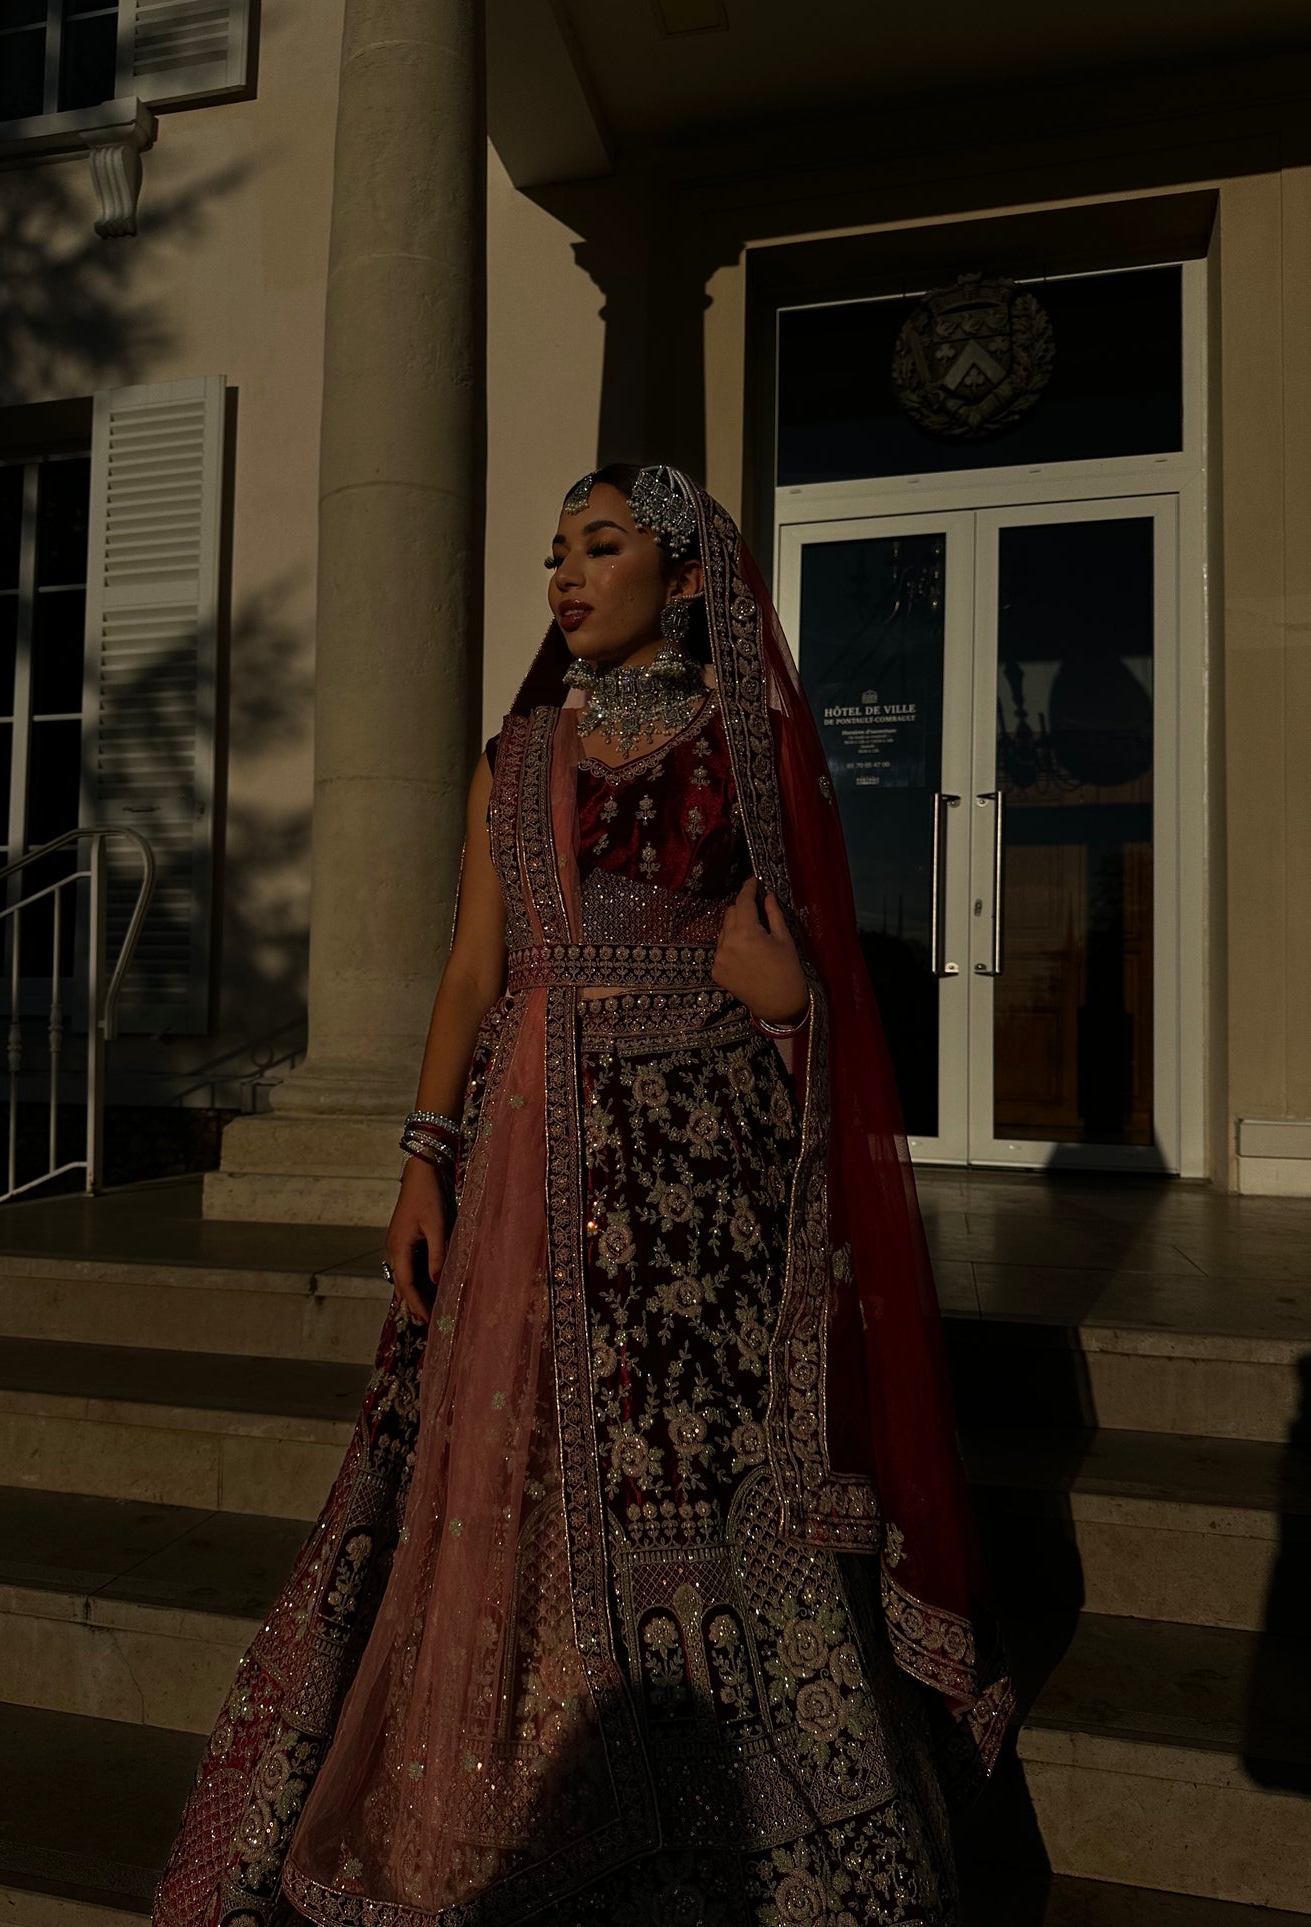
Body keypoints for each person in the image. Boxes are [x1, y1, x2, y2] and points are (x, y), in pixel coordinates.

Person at [152, 465, 1012, 1927]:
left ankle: (733, 1820)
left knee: (699, 1478)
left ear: (684, 580)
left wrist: (791, 996)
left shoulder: (747, 744)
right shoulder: (522, 747)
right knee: (506, 1461)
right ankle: (516, 1790)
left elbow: (817, 974)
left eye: (598, 547)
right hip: (524, 1157)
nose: (562, 574)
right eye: (554, 552)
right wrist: (420, 1155)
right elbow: (474, 970)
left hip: (701, 1181)